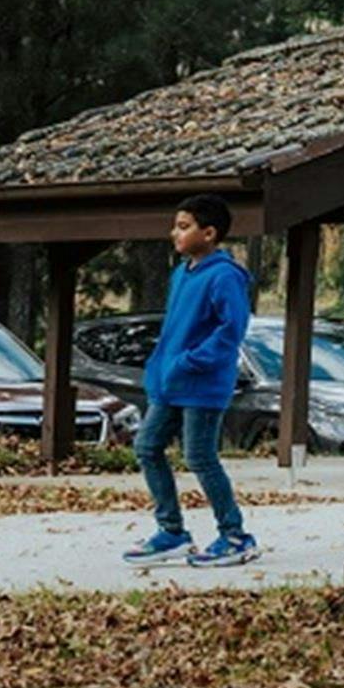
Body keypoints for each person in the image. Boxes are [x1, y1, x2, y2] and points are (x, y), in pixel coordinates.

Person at [122, 194, 260, 567]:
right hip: (170, 384)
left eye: (184, 227)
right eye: (175, 226)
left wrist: (190, 362)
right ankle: (172, 533)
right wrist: (163, 366)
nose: (175, 233)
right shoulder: (182, 273)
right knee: (147, 447)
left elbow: (231, 330)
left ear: (209, 233)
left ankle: (235, 536)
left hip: (202, 384)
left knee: (199, 456)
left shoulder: (225, 276)